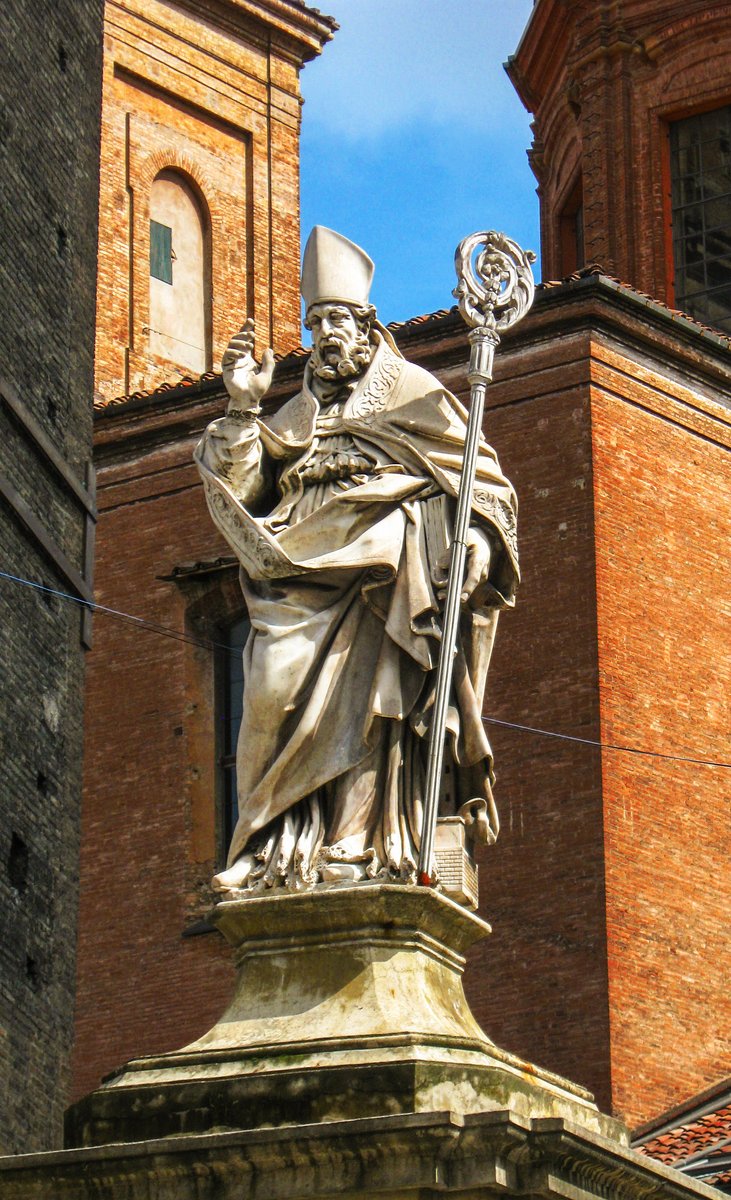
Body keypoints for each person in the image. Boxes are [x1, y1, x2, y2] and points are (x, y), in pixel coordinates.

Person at [195, 226, 519, 895]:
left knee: (375, 710)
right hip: (288, 580)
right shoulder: (296, 410)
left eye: (337, 320)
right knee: (269, 700)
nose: (325, 338)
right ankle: (270, 847)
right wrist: (243, 407)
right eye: (315, 326)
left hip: (378, 579)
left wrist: (475, 544)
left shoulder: (413, 393)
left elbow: (484, 487)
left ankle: (351, 844)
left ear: (368, 326)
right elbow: (243, 483)